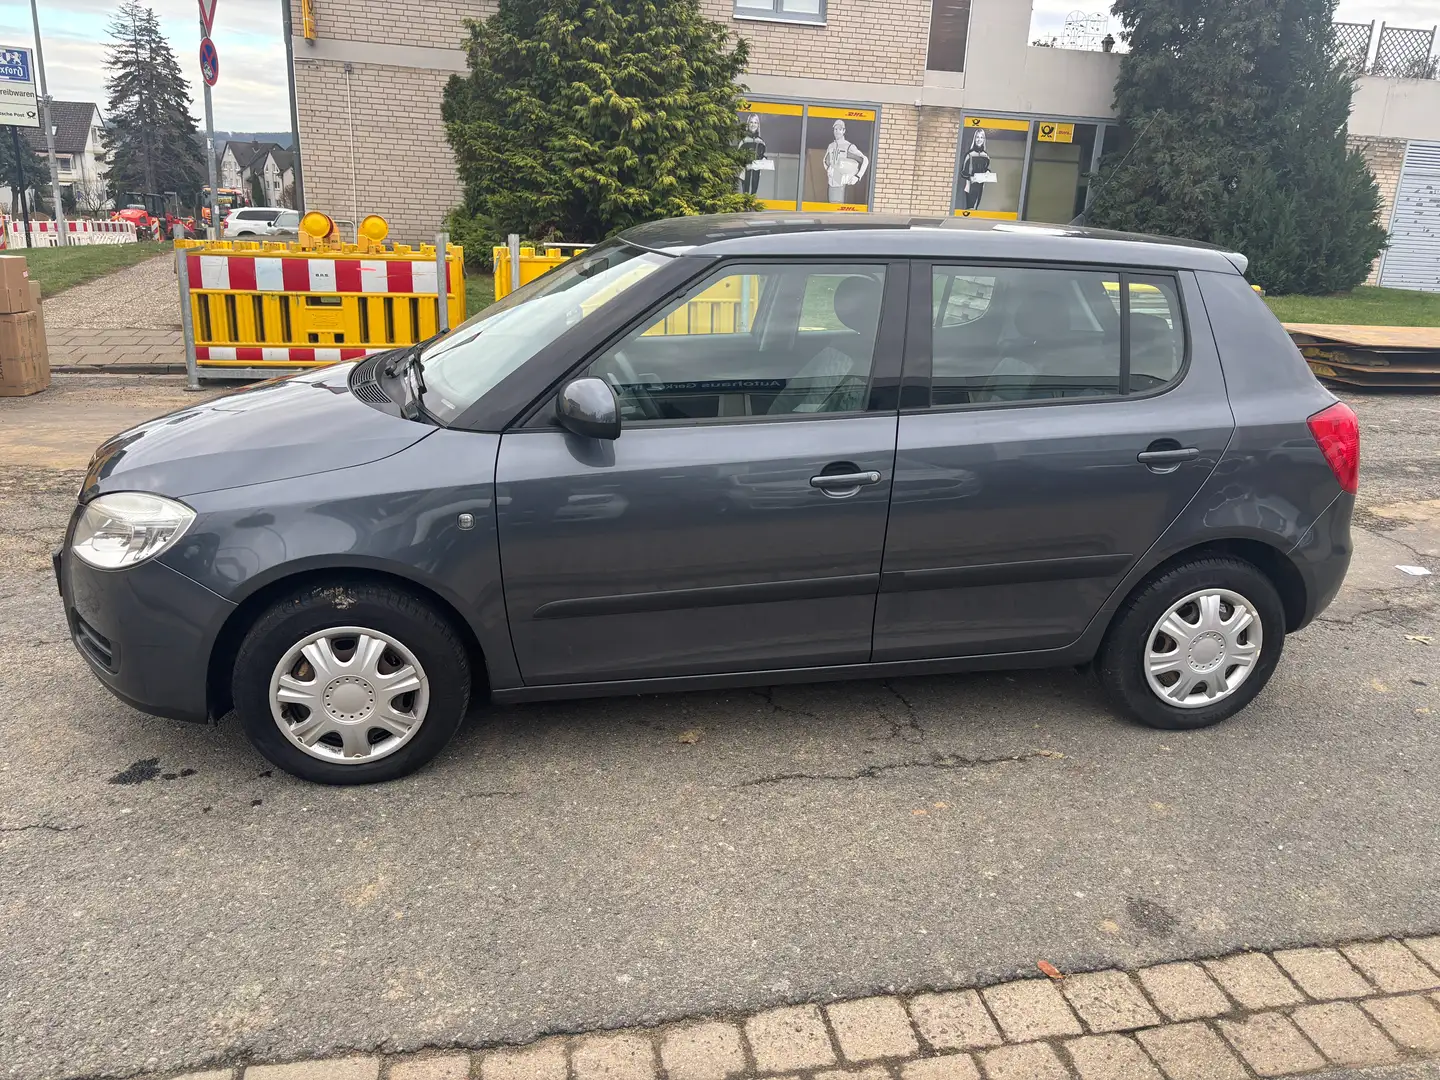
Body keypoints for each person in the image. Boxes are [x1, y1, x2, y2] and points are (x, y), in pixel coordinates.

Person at [822, 120, 870, 204]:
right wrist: (829, 169)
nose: (837, 132)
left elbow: (865, 160)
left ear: (844, 131)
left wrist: (857, 176)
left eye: (839, 129)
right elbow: (825, 160)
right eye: (835, 129)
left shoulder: (849, 146)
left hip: (842, 184)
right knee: (831, 210)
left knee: (840, 211)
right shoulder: (831, 146)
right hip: (831, 183)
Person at [960, 128, 996, 211]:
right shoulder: (969, 155)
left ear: (984, 139)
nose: (979, 139)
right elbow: (963, 172)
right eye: (977, 137)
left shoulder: (985, 156)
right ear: (974, 138)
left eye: (981, 137)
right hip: (970, 187)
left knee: (976, 209)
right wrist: (971, 178)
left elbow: (986, 169)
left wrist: (988, 172)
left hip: (981, 187)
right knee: (970, 209)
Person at [739, 114, 769, 197]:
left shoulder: (761, 142)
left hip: (756, 171)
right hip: (746, 171)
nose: (753, 124)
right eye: (751, 122)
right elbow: (738, 157)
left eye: (755, 122)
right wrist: (744, 164)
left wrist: (764, 159)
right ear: (748, 124)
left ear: (758, 125)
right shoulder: (743, 141)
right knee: (745, 193)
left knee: (753, 194)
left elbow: (762, 155)